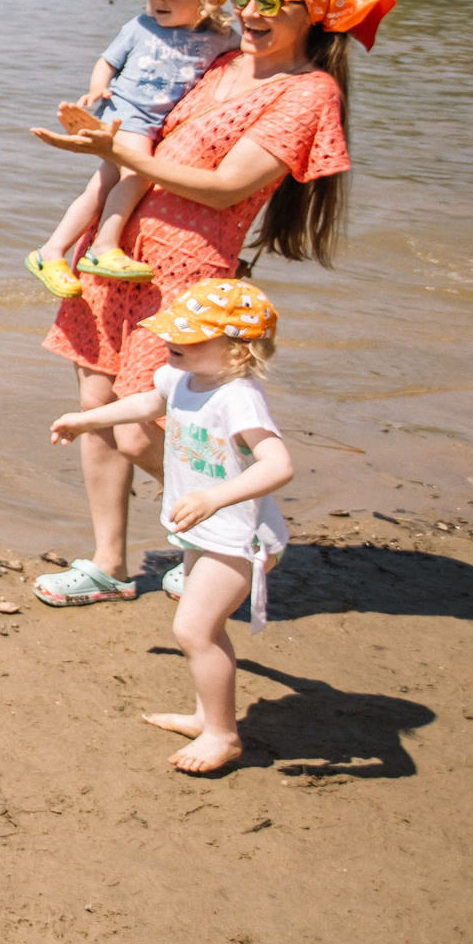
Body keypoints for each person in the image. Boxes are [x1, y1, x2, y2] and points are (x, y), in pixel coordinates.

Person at [27, 0, 391, 606]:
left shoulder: (310, 92)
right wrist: (101, 129)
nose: (249, 12)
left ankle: (239, 526)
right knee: (96, 409)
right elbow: (141, 116)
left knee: (143, 427)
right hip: (113, 252)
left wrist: (118, 152)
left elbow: (227, 188)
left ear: (312, 15)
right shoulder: (218, 59)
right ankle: (109, 565)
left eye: (271, 3)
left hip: (186, 273)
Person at [49, 278, 293, 773]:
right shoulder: (182, 377)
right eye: (172, 330)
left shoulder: (238, 397)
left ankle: (223, 735)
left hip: (238, 536)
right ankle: (208, 716)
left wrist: (213, 497)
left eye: (188, 335)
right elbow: (146, 405)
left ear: (237, 351)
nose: (170, 340)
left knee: (194, 630)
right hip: (205, 531)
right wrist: (86, 420)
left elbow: (278, 465)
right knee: (205, 628)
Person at [26, 0, 238, 297]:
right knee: (138, 173)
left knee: (100, 187)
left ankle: (50, 252)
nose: (158, 0)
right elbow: (107, 61)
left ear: (209, 0)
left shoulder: (222, 38)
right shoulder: (140, 27)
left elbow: (248, 58)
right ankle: (103, 247)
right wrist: (98, 87)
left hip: (154, 124)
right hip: (125, 114)